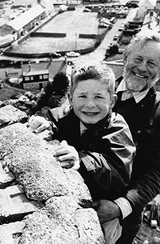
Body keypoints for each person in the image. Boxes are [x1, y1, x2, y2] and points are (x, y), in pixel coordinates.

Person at [29, 29, 160, 244]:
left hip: (118, 214)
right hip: (73, 194)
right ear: (125, 58)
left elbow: (157, 174)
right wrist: (47, 124)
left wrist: (120, 206)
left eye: (152, 63)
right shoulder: (97, 85)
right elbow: (66, 115)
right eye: (138, 58)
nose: (142, 67)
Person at [28, 61, 136, 244]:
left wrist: (82, 159)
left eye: (99, 97)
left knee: (104, 237)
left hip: (103, 206)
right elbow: (54, 118)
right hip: (70, 199)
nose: (90, 104)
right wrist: (47, 126)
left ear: (113, 101)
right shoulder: (67, 116)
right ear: (70, 99)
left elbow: (117, 172)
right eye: (82, 96)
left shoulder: (118, 129)